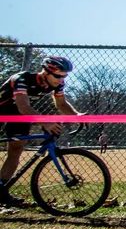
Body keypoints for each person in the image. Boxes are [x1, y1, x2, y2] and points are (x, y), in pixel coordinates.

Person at [1, 56, 83, 207]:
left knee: (16, 150)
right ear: (45, 72)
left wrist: (77, 115)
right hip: (7, 109)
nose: (61, 80)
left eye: (64, 76)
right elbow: (24, 107)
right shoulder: (22, 79)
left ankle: (1, 190)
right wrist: (45, 122)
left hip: (17, 116)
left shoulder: (57, 84)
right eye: (58, 76)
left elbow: (61, 104)